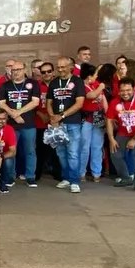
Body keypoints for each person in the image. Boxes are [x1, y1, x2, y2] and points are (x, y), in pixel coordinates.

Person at [106, 78, 135, 191]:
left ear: (134, 89)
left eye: (128, 90)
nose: (125, 93)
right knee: (115, 153)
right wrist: (111, 139)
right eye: (122, 90)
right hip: (124, 131)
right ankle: (125, 177)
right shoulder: (115, 102)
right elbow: (109, 120)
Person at [47, 57, 86, 193]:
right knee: (61, 153)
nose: (60, 70)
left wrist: (62, 115)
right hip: (57, 124)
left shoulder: (78, 81)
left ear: (71, 67)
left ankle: (75, 181)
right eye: (58, 67)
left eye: (63, 67)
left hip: (73, 123)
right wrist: (53, 117)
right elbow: (49, 102)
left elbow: (79, 103)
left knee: (73, 153)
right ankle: (67, 178)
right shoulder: (54, 82)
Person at [0, 62, 40, 187]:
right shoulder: (6, 85)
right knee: (11, 151)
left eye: (18, 69)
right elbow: (1, 103)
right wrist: (13, 115)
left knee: (30, 151)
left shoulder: (32, 83)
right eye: (13, 70)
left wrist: (18, 113)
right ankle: (11, 176)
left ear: (24, 70)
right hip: (11, 125)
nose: (16, 72)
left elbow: (35, 102)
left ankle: (30, 177)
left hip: (28, 124)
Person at [79, 64, 107, 182]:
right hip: (86, 119)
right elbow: (91, 95)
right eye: (95, 74)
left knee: (97, 146)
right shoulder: (81, 86)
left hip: (99, 118)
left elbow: (104, 100)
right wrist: (101, 87)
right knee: (84, 147)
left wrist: (107, 115)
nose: (97, 77)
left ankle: (96, 172)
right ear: (89, 76)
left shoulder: (95, 84)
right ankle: (81, 172)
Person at [35, 62, 61, 183]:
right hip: (40, 122)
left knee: (56, 150)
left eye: (49, 71)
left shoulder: (59, 84)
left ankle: (58, 174)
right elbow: (31, 103)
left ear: (53, 71)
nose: (46, 74)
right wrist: (41, 115)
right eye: (43, 72)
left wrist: (55, 117)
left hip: (56, 122)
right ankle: (37, 174)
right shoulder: (36, 86)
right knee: (40, 150)